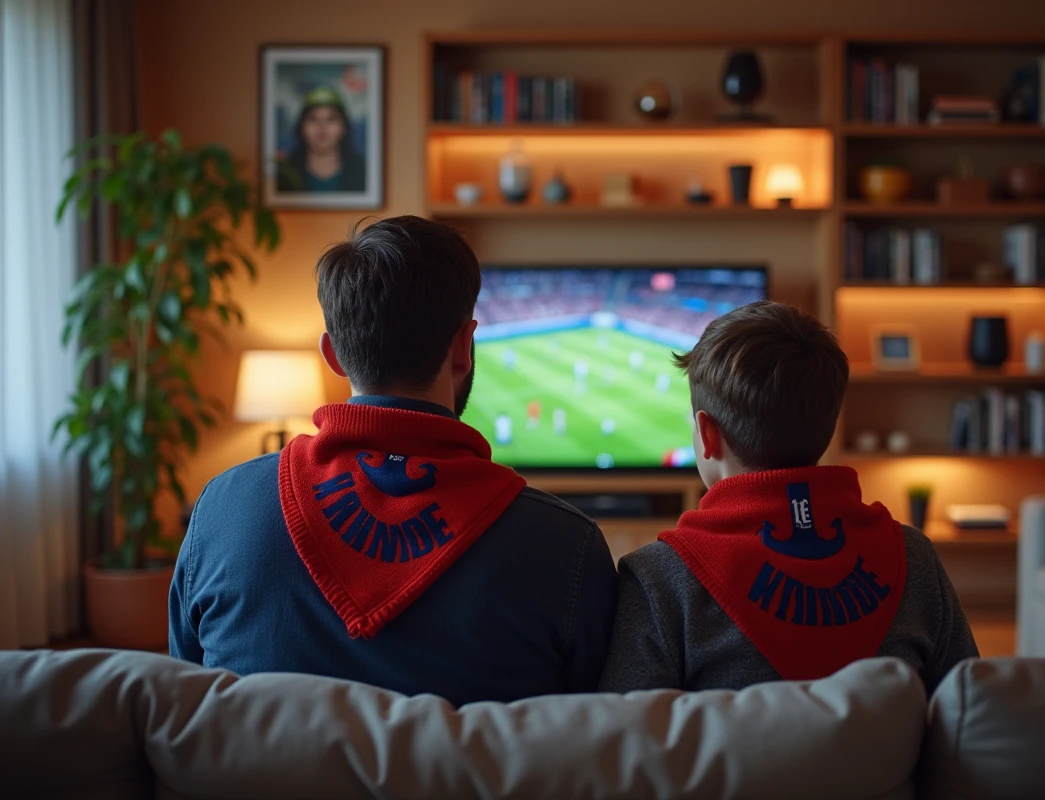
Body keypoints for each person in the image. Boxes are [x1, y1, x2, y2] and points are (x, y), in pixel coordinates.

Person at [170, 216, 617, 706]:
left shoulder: (220, 507)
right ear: (464, 348)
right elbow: (594, 741)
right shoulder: (569, 545)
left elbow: (186, 707)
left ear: (333, 355)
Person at [598, 301, 977, 696]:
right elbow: (969, 717)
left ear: (706, 435)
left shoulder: (659, 578)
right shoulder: (914, 558)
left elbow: (623, 740)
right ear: (828, 427)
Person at [277, 86, 367, 193]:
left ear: (344, 127)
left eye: (331, 119)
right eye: (313, 119)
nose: (322, 127)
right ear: (301, 127)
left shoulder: (363, 173)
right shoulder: (284, 175)